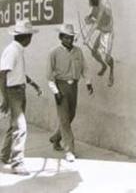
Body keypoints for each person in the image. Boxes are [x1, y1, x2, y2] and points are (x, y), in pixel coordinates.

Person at [0, 19, 42, 175]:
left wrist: (33, 84)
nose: (31, 39)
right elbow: (2, 74)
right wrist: (4, 98)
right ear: (27, 37)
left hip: (19, 90)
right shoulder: (13, 50)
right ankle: (17, 163)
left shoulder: (17, 50)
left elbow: (19, 73)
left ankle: (4, 155)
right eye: (30, 36)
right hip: (13, 92)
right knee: (21, 127)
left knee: (14, 126)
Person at [47, 24, 94, 162]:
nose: (69, 40)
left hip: (74, 87)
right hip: (60, 87)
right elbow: (49, 76)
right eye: (66, 37)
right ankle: (69, 150)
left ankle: (55, 138)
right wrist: (55, 91)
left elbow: (85, 67)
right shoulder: (54, 53)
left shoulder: (78, 51)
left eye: (71, 37)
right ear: (61, 37)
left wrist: (88, 82)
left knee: (70, 115)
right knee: (64, 119)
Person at [84, 0, 114, 87]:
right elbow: (92, 16)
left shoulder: (103, 1)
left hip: (108, 32)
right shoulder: (95, 5)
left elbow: (97, 22)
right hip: (102, 31)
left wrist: (87, 37)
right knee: (94, 52)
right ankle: (103, 66)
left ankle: (111, 72)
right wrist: (88, 18)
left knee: (107, 58)